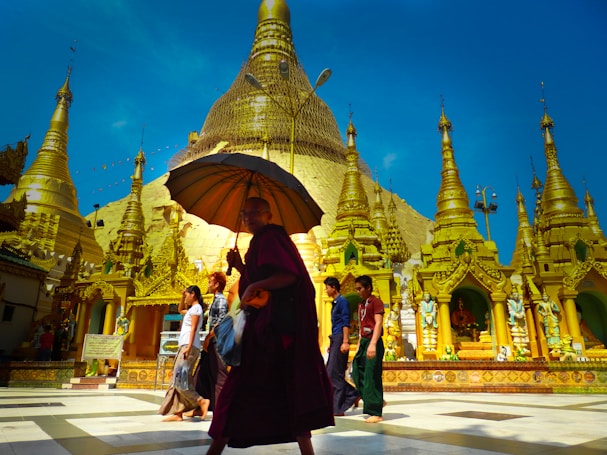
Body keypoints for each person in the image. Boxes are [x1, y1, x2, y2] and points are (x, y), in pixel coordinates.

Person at [207, 197, 333, 455]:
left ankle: (215, 449)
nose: (248, 218)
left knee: (242, 389)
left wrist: (252, 285)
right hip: (265, 329)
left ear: (268, 215)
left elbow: (289, 276)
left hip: (274, 332)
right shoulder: (258, 242)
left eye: (255, 213)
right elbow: (262, 279)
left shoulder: (272, 237)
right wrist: (241, 266)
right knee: (284, 390)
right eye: (245, 214)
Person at [158, 285, 210, 422]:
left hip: (189, 345)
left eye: (187, 295)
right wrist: (181, 296)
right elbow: (181, 309)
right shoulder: (192, 309)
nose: (185, 297)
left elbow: (193, 328)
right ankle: (178, 412)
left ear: (193, 294)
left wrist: (188, 347)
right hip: (186, 345)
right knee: (181, 378)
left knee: (180, 379)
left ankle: (201, 401)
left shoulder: (197, 309)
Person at [191, 271, 229, 416]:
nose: (208, 285)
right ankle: (200, 405)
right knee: (201, 373)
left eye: (210, 282)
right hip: (211, 341)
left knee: (219, 376)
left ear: (217, 284)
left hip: (216, 342)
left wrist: (208, 338)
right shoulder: (214, 300)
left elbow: (221, 322)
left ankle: (223, 409)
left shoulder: (220, 300)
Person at [323, 277, 359, 417]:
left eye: (327, 287)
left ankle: (339, 407)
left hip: (340, 338)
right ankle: (352, 395)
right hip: (335, 338)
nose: (326, 290)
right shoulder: (336, 302)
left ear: (334, 287)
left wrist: (345, 341)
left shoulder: (342, 302)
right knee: (330, 372)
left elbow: (345, 322)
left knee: (333, 373)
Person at [351, 274, 385, 424]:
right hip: (364, 340)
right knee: (357, 372)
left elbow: (378, 323)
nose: (357, 291)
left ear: (368, 288)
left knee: (372, 374)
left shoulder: (376, 302)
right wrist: (360, 342)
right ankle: (376, 400)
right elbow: (360, 326)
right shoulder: (361, 305)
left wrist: (373, 343)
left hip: (373, 341)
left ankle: (376, 411)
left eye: (360, 289)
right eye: (356, 289)